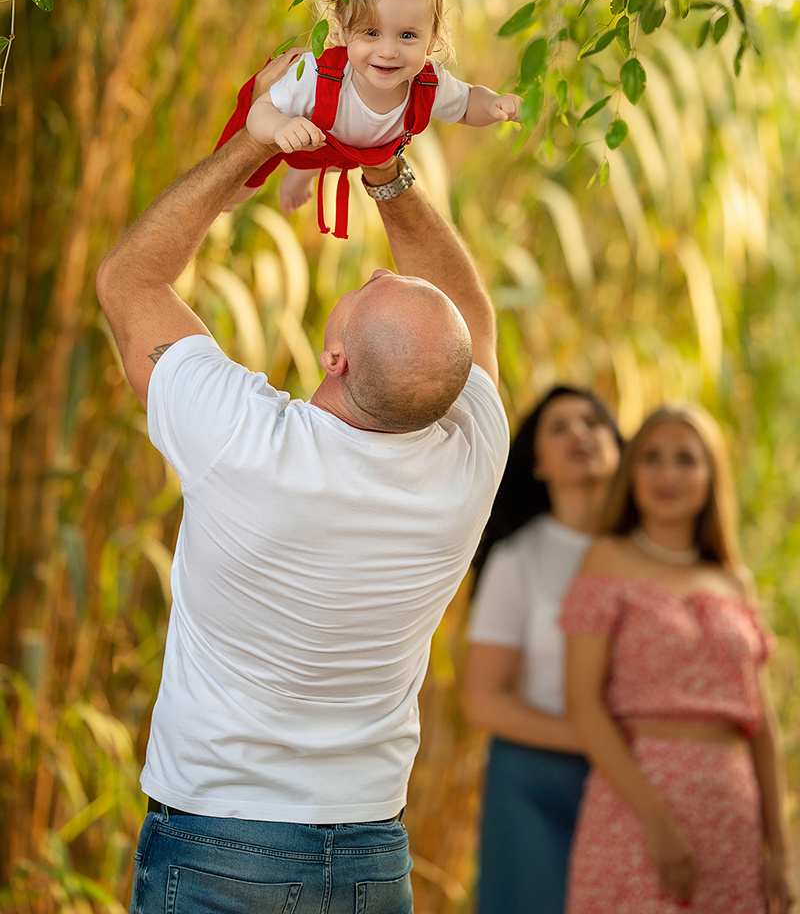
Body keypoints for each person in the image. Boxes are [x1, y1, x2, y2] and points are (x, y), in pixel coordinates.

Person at [95, 53, 510, 913]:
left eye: (371, 285)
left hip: (216, 840)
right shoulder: (468, 464)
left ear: (334, 358)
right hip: (366, 852)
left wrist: (250, 145)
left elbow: (129, 280)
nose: (382, 269)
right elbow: (469, 317)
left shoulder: (245, 443)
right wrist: (384, 163)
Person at [561, 403, 794, 914]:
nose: (668, 474)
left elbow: (764, 725)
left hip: (733, 819)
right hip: (637, 811)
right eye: (652, 458)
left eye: (686, 460)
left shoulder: (734, 582)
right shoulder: (608, 561)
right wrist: (655, 818)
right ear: (632, 472)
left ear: (711, 475)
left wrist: (782, 848)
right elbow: (582, 703)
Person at [214, 0, 521, 237]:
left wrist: (494, 105)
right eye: (371, 32)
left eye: (407, 36)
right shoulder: (315, 77)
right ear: (344, 31)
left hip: (339, 148)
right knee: (228, 197)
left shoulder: (429, 84)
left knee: (333, 161)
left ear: (433, 38)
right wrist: (280, 126)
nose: (388, 51)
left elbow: (468, 105)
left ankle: (302, 175)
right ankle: (296, 171)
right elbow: (260, 110)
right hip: (291, 127)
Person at [462, 386, 623, 914]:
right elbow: (482, 700)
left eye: (593, 422)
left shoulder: (652, 555)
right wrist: (594, 738)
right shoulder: (518, 559)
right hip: (537, 783)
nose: (580, 433)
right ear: (537, 464)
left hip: (641, 780)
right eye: (560, 427)